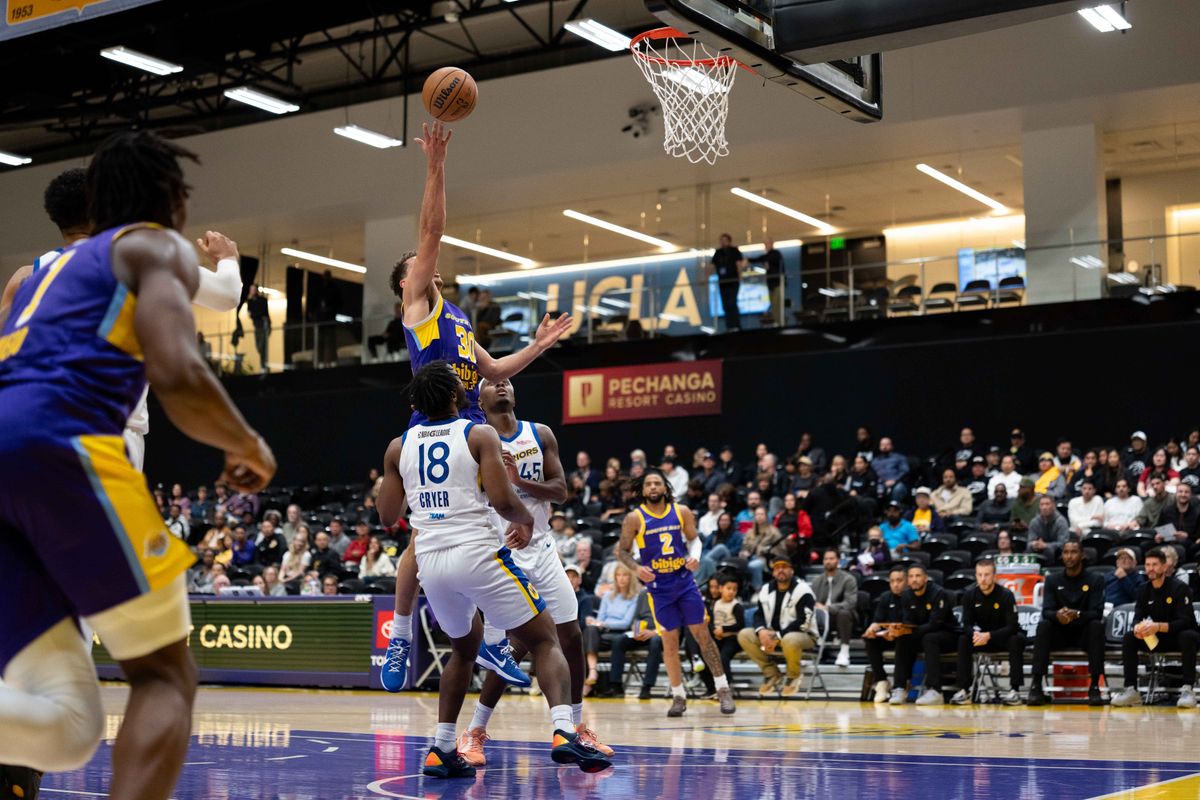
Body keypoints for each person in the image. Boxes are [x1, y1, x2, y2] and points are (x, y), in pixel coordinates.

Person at [0, 131, 276, 800]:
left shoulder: (34, 273)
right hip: (70, 445)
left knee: (67, 724)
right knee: (165, 676)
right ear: (174, 200)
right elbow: (178, 371)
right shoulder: (153, 245)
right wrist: (247, 444)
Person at [380, 122, 574, 694]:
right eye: (418, 266)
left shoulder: (459, 318)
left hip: (469, 425)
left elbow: (491, 372)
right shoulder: (419, 309)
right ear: (407, 285)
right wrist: (435, 165)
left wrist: (537, 347)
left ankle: (491, 645)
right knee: (423, 536)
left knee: (490, 523)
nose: (429, 266)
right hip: (433, 424)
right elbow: (432, 228)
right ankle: (399, 634)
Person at [376, 361, 609, 777]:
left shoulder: (398, 445)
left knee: (463, 651)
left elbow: (388, 515)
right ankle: (562, 730)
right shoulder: (477, 433)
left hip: (432, 563)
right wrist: (522, 518)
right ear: (457, 396)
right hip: (478, 554)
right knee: (544, 639)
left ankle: (441, 748)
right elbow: (503, 502)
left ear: (415, 403)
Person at [459, 376, 612, 764]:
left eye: (507, 381)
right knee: (514, 648)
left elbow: (560, 490)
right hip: (501, 552)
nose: (502, 386)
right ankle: (475, 730)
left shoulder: (538, 433)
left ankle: (577, 729)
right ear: (479, 396)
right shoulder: (474, 438)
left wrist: (519, 481)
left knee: (572, 636)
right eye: (492, 383)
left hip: (542, 547)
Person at [616, 469, 736, 716]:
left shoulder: (680, 511)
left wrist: (695, 556)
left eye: (657, 483)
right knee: (669, 644)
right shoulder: (634, 518)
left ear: (665, 487)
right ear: (642, 489)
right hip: (659, 590)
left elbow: (695, 540)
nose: (652, 487)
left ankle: (723, 690)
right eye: (648, 483)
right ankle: (678, 696)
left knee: (703, 635)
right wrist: (637, 569)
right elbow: (622, 552)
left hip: (684, 583)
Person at [1111, 547, 1200, 708]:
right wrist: (1138, 628)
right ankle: (1131, 690)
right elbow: (1138, 616)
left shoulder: (1180, 588)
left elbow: (1185, 621)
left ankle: (1188, 689)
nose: (1150, 569)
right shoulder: (1143, 589)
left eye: (1155, 565)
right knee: (1129, 637)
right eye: (1147, 565)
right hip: (1158, 638)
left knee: (1187, 635)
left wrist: (1158, 626)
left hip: (1182, 637)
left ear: (1165, 567)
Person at [1027, 541, 1105, 706]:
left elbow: (1097, 613)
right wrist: (1058, 615)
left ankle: (1094, 687)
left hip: (1083, 634)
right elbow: (1046, 611)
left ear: (1082, 555)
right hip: (1060, 634)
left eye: (1074, 552)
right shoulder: (1052, 580)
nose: (1069, 556)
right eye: (1066, 552)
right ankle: (1036, 686)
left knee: (1096, 626)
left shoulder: (1095, 579)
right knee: (1043, 626)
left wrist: (1075, 614)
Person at [737, 558, 816, 697]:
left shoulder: (803, 590)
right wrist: (761, 632)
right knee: (744, 635)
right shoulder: (766, 589)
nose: (781, 570)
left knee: (789, 639)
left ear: (792, 570)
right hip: (774, 635)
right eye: (777, 567)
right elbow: (759, 614)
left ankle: (793, 676)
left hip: (804, 635)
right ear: (773, 572)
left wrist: (778, 636)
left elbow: (804, 622)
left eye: (785, 567)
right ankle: (772, 674)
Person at [949, 560, 1024, 706]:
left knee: (1016, 639)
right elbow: (966, 624)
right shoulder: (969, 595)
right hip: (981, 638)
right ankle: (964, 690)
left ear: (994, 576)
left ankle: (1015, 690)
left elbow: (1012, 626)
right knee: (964, 639)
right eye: (980, 575)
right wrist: (975, 635)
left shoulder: (1006, 595)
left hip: (1002, 638)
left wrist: (989, 635)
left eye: (987, 575)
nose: (983, 579)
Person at [890, 564, 955, 705]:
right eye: (911, 576)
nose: (914, 579)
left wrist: (912, 631)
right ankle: (900, 688)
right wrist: (900, 630)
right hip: (921, 635)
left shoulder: (938, 593)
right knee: (903, 639)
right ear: (907, 580)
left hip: (947, 635)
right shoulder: (906, 595)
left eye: (918, 576)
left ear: (925, 578)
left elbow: (936, 623)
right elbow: (908, 621)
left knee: (929, 638)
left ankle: (935, 690)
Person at [606, 587, 664, 701]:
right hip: (643, 631)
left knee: (655, 642)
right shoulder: (643, 594)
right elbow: (636, 618)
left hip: (662, 633)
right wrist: (636, 630)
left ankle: (647, 687)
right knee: (619, 640)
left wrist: (654, 632)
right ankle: (616, 685)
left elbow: (675, 622)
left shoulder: (669, 592)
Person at [863, 566, 909, 703]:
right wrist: (872, 629)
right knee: (870, 639)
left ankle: (899, 686)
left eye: (899, 580)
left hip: (907, 637)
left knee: (903, 639)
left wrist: (895, 632)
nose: (895, 584)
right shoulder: (885, 597)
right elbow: (878, 621)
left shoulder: (911, 597)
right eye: (892, 581)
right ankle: (882, 681)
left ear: (906, 581)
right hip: (888, 635)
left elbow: (911, 622)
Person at [809, 548, 858, 667]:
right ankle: (810, 651)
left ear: (838, 561)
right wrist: (817, 607)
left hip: (843, 616)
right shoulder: (817, 581)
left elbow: (850, 602)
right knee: (807, 613)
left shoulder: (848, 579)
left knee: (843, 613)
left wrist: (828, 608)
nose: (828, 561)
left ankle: (844, 651)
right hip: (823, 617)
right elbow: (811, 600)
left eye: (831, 558)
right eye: (826, 559)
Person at [709, 233, 744, 331]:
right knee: (725, 304)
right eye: (721, 240)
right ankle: (729, 326)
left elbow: (739, 265)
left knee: (732, 302)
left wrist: (740, 276)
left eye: (724, 240)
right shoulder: (718, 252)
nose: (722, 242)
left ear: (729, 241)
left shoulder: (734, 251)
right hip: (722, 282)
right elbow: (712, 266)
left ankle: (736, 325)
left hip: (733, 281)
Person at [748, 236, 784, 323]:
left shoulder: (775, 254)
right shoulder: (768, 257)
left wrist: (749, 260)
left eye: (767, 244)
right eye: (765, 244)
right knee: (773, 307)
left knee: (776, 306)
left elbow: (764, 258)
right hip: (771, 284)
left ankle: (779, 324)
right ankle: (777, 322)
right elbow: (764, 260)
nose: (765, 246)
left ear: (771, 244)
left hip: (777, 284)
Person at [1028, 496, 1070, 560]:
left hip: (1057, 554)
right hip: (1038, 552)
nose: (1044, 507)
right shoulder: (1034, 522)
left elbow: (1063, 543)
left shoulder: (1061, 521)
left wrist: (1046, 546)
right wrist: (1034, 544)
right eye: (1042, 504)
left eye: (1047, 504)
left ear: (1053, 506)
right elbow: (1029, 542)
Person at [246, 283, 270, 373]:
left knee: (263, 345)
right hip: (257, 325)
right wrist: (255, 315)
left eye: (253, 289)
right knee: (258, 345)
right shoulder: (250, 301)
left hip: (264, 324)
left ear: (256, 290)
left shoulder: (263, 300)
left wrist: (255, 314)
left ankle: (264, 366)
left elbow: (263, 312)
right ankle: (264, 365)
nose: (252, 291)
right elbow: (250, 314)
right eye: (251, 289)